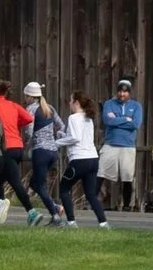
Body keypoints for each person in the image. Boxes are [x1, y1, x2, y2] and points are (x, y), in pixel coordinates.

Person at [0, 80, 38, 219]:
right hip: (18, 147)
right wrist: (16, 124)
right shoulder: (13, 105)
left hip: (5, 147)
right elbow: (28, 118)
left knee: (15, 182)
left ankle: (32, 212)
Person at [59, 91, 108, 228]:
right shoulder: (88, 118)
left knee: (63, 188)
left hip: (79, 160)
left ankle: (71, 222)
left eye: (70, 101)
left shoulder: (73, 118)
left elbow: (75, 138)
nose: (69, 103)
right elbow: (77, 136)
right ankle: (103, 223)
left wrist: (57, 143)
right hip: (93, 159)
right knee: (91, 194)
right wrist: (62, 135)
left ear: (76, 102)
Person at [21, 82, 64, 227]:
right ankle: (55, 207)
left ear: (30, 96)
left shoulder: (31, 109)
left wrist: (25, 142)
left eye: (25, 96)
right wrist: (54, 137)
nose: (25, 99)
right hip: (52, 151)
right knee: (35, 183)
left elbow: (29, 130)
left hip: (40, 151)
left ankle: (55, 215)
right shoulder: (50, 108)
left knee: (39, 185)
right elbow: (61, 126)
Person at [98, 79, 143, 211]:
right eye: (120, 91)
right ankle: (93, 200)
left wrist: (116, 119)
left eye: (125, 91)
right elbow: (107, 120)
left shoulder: (136, 106)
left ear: (129, 92)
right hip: (110, 144)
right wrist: (125, 119)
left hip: (128, 145)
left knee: (127, 176)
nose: (122, 94)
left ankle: (127, 205)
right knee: (102, 172)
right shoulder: (109, 104)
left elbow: (136, 124)